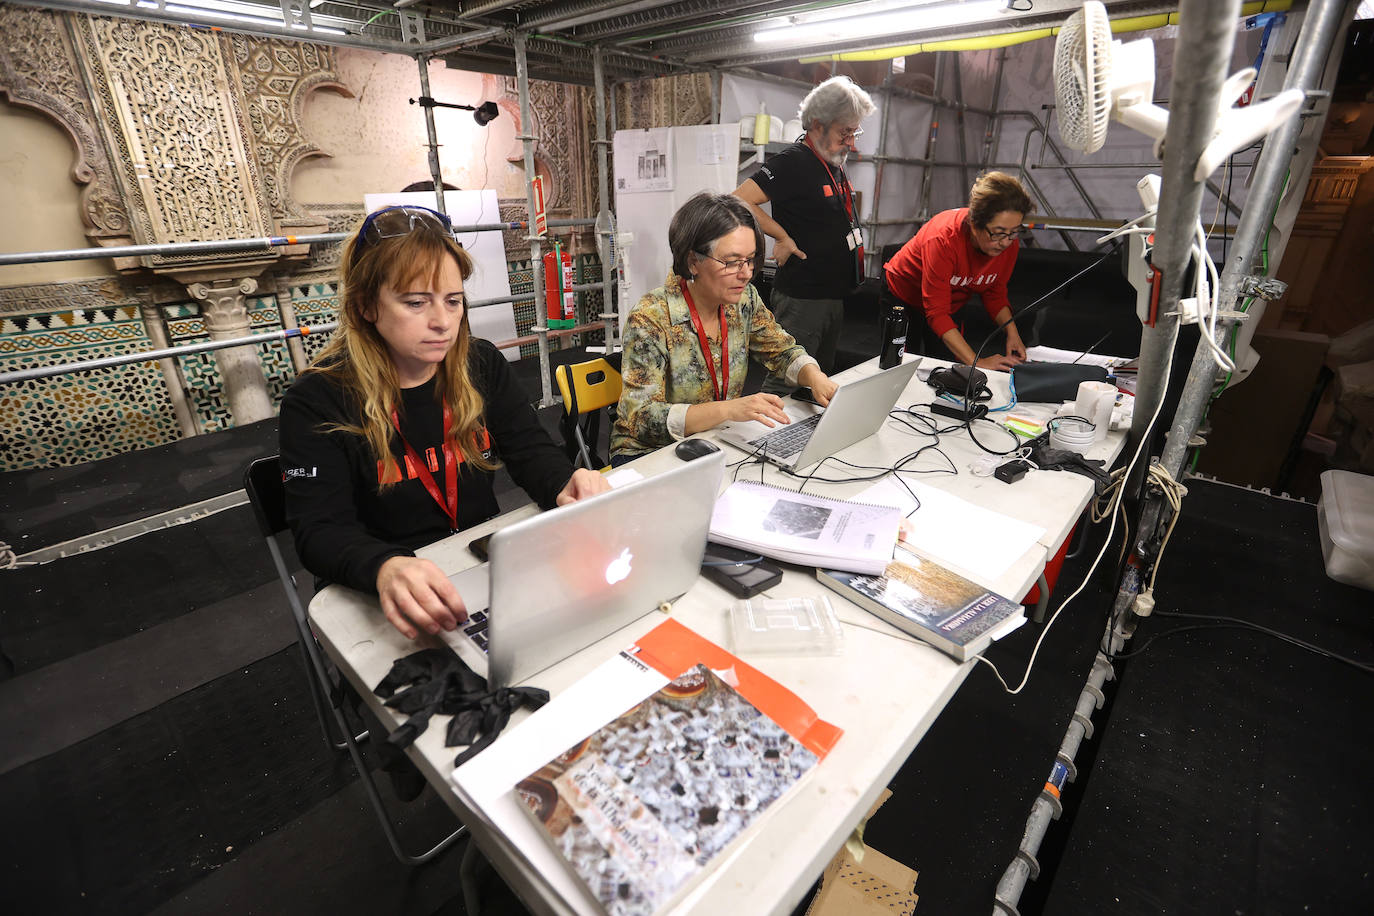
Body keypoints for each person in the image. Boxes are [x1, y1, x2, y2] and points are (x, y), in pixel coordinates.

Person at [280, 205, 609, 641]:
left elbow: (530, 451)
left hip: (481, 566)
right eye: (415, 302)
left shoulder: (480, 363)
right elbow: (319, 530)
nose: (442, 322)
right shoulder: (318, 399)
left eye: (453, 301)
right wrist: (383, 566)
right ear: (365, 307)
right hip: (388, 589)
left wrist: (565, 483)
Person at [612, 192, 839, 463]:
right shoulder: (651, 318)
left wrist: (814, 377)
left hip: (714, 441)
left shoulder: (743, 300)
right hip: (648, 456)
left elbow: (782, 350)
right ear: (692, 261)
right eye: (731, 262)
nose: (745, 273)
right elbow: (642, 418)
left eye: (750, 259)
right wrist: (728, 410)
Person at [732, 76, 876, 391]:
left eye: (854, 132)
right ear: (817, 125)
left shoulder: (833, 161)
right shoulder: (793, 161)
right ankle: (767, 440)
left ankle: (803, 439)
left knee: (817, 380)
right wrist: (781, 236)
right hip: (803, 296)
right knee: (788, 379)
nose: (850, 141)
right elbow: (740, 199)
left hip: (831, 295)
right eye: (844, 132)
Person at [881, 171, 1033, 371]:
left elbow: (994, 292)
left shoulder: (1007, 244)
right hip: (905, 294)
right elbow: (937, 312)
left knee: (949, 369)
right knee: (900, 367)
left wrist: (1012, 333)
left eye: (1014, 232)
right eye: (998, 233)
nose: (1005, 242)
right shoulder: (943, 239)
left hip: (951, 299)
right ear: (974, 224)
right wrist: (977, 362)